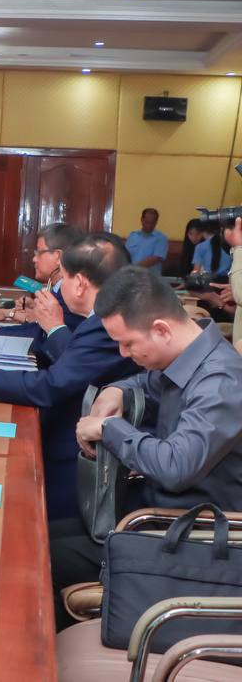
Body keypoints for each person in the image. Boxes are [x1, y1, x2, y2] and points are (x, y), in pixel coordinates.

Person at [49, 265, 242, 625]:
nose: (123, 354)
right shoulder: (186, 358)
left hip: (192, 540)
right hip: (155, 517)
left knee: (42, 559)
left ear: (162, 330)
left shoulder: (220, 382)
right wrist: (117, 390)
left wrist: (109, 428)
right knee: (40, 531)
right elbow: (144, 385)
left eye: (128, 343)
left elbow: (175, 467)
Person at [0, 234, 140, 519]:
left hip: (75, 452)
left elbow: (52, 384)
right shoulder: (100, 319)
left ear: (79, 283)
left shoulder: (105, 325)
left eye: (64, 277)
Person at [0, 223, 85, 345]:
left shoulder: (69, 293)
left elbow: (41, 339)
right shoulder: (58, 289)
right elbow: (37, 329)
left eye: (39, 252)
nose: (34, 259)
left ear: (58, 257)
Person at [124, 207, 167, 274]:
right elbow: (125, 254)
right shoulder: (133, 235)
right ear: (142, 220)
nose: (149, 225)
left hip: (150, 278)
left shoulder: (161, 238)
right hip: (131, 276)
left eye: (152, 223)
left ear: (156, 222)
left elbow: (154, 259)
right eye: (147, 222)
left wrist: (132, 269)